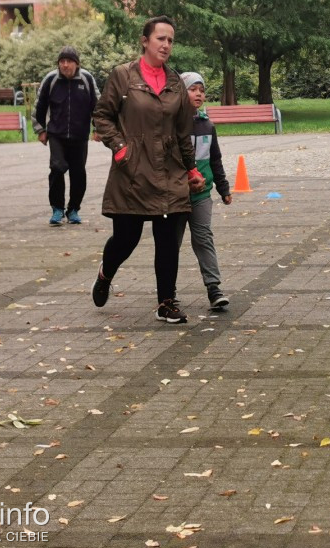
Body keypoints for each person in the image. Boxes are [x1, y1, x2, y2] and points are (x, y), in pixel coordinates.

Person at [89, 16, 206, 324]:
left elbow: (183, 133)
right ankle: (105, 273)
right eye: (160, 39)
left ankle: (166, 302)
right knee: (126, 239)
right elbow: (102, 116)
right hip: (132, 173)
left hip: (169, 172)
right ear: (145, 41)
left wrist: (192, 170)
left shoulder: (175, 83)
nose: (166, 45)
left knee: (168, 241)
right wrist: (120, 148)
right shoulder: (122, 76)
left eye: (170, 40)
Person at [178, 71, 233, 311]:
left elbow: (215, 159)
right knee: (171, 243)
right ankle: (166, 293)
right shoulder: (172, 125)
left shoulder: (207, 125)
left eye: (201, 90)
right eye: (193, 89)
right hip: (175, 197)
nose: (199, 93)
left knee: (203, 239)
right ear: (181, 93)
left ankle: (214, 288)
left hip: (201, 195)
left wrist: (223, 188)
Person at [32, 45, 100, 226]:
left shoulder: (86, 79)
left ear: (77, 64)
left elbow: (97, 105)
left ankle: (73, 209)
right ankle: (57, 209)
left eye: (69, 61)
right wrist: (40, 130)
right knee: (57, 167)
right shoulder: (51, 79)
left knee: (78, 173)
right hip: (57, 134)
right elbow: (39, 105)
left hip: (79, 134)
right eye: (62, 61)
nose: (65, 65)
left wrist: (98, 128)